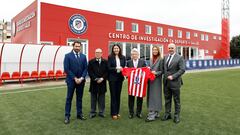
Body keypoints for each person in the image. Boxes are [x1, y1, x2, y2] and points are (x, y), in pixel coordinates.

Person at [63, 41, 88, 124]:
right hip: (71, 81)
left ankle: (79, 114)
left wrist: (81, 78)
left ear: (80, 47)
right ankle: (67, 116)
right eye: (76, 46)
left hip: (81, 81)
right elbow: (67, 69)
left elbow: (85, 69)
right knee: (69, 98)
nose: (77, 48)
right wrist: (74, 78)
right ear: (73, 46)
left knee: (79, 98)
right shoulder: (67, 56)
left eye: (79, 46)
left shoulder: (84, 56)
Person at [161, 43, 185, 124]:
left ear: (175, 48)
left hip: (175, 82)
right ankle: (167, 114)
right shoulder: (165, 57)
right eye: (169, 48)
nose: (170, 49)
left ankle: (176, 116)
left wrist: (173, 76)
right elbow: (163, 69)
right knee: (167, 99)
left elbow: (182, 70)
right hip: (166, 83)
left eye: (172, 48)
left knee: (176, 100)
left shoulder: (180, 57)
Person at [126, 48, 146, 119]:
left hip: (140, 84)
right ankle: (131, 113)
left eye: (135, 54)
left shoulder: (142, 62)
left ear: (138, 55)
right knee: (131, 98)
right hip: (132, 84)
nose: (134, 55)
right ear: (131, 55)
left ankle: (138, 112)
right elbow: (127, 72)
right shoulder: (128, 62)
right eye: (133, 54)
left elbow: (145, 71)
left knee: (139, 98)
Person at [88, 48, 108, 118]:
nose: (98, 54)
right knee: (93, 98)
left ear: (102, 53)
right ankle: (93, 112)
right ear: (95, 53)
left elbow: (107, 72)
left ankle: (101, 112)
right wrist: (96, 79)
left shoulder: (105, 61)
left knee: (102, 98)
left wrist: (102, 78)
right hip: (94, 83)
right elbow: (90, 72)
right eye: (96, 52)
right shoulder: (91, 62)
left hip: (102, 83)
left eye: (99, 53)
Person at [108, 44, 126, 120]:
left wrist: (122, 69)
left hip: (120, 79)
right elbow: (109, 68)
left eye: (117, 48)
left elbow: (124, 67)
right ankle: (113, 113)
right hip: (112, 79)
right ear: (113, 49)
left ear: (119, 49)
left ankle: (117, 112)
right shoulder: (110, 57)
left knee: (118, 95)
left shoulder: (123, 57)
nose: (116, 50)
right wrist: (116, 68)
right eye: (114, 48)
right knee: (113, 96)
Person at [145, 45, 163, 122]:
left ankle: (151, 115)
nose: (154, 51)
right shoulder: (151, 59)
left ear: (158, 51)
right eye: (153, 50)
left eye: (156, 50)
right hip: (150, 80)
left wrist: (156, 73)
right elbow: (149, 68)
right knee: (152, 96)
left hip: (157, 81)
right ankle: (156, 112)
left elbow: (162, 71)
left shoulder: (161, 59)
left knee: (154, 96)